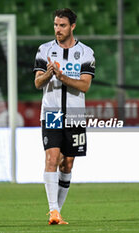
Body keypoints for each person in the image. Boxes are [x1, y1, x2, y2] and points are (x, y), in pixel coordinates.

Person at [33, 8, 95, 224]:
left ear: (72, 27)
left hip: (76, 114)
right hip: (51, 112)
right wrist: (49, 74)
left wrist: (62, 76)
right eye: (55, 25)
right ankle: (53, 212)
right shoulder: (44, 50)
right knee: (51, 158)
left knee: (67, 164)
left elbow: (84, 85)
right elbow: (37, 83)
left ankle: (57, 210)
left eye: (62, 25)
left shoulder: (86, 53)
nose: (57, 29)